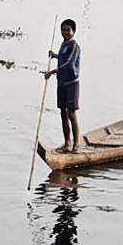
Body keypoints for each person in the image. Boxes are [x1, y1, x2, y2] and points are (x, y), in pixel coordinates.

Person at [45, 19, 82, 151]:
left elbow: (69, 63)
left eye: (68, 30)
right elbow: (62, 57)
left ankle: (76, 143)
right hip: (62, 82)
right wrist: (55, 55)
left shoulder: (74, 46)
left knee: (71, 112)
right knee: (63, 113)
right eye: (63, 30)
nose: (65, 32)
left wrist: (53, 71)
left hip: (71, 83)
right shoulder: (64, 44)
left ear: (74, 31)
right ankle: (67, 143)